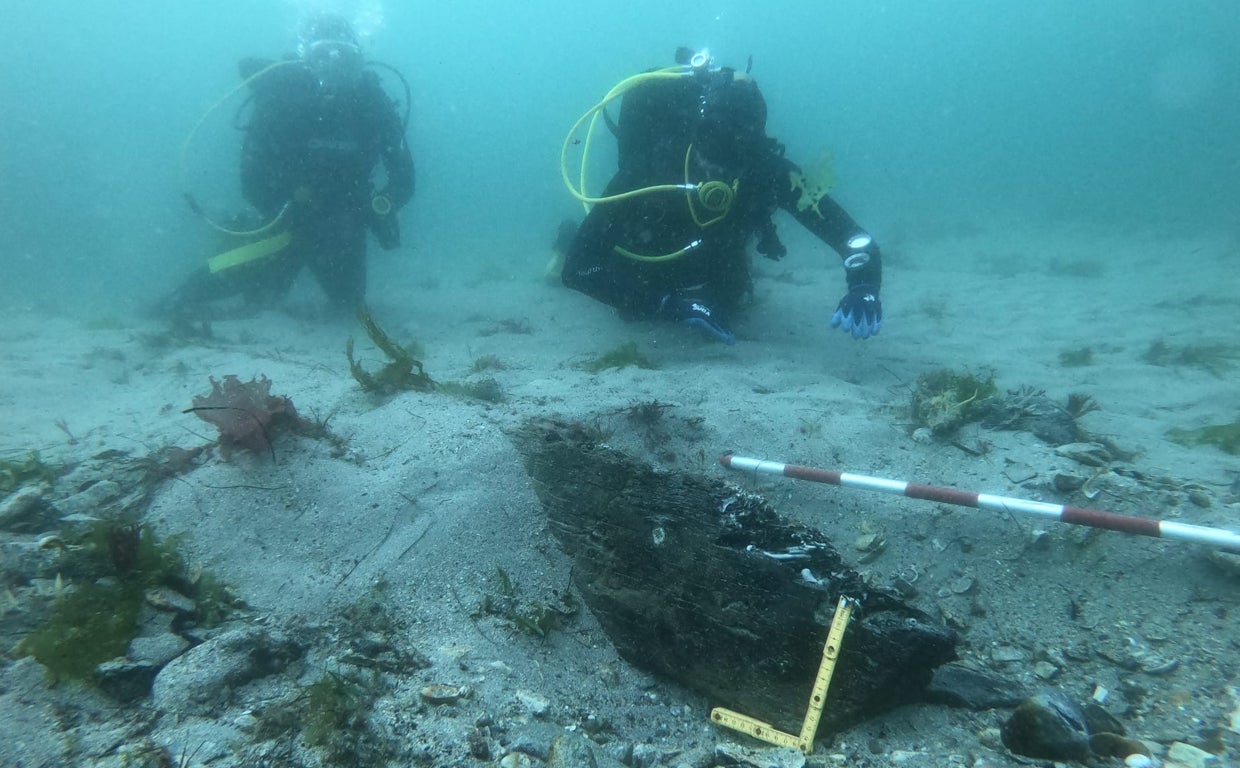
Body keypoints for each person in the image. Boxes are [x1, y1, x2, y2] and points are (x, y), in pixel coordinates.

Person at [561, 48, 882, 344]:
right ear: (696, 136)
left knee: (732, 294)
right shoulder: (649, 171)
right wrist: (667, 304)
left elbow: (852, 238)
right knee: (629, 299)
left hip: (717, 269)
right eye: (712, 150)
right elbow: (579, 269)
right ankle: (564, 238)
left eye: (734, 155)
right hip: (644, 267)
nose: (717, 170)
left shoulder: (768, 172)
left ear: (752, 147)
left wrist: (864, 284)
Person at [167, 13, 414, 315]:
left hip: (344, 225)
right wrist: (294, 201)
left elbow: (405, 178)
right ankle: (232, 265)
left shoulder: (373, 103)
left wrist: (376, 205)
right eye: (322, 55)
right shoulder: (280, 99)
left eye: (344, 57)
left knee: (348, 301)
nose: (333, 65)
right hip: (285, 223)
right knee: (252, 291)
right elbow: (251, 179)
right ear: (305, 58)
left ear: (358, 60)